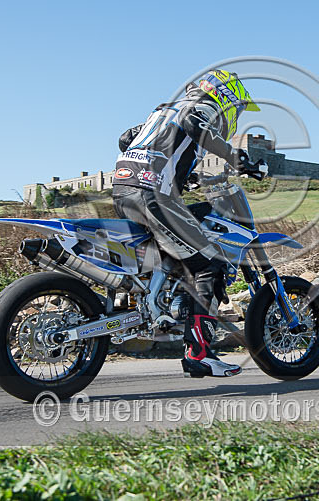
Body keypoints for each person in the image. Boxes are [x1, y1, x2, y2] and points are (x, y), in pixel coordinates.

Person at [112, 70, 260, 378]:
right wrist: (236, 158)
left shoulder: (162, 112)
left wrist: (178, 172)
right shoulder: (200, 109)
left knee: (182, 246)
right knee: (210, 264)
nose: (236, 117)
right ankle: (200, 353)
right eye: (238, 109)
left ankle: (163, 303)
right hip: (154, 197)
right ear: (225, 98)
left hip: (123, 190)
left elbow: (126, 138)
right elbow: (196, 125)